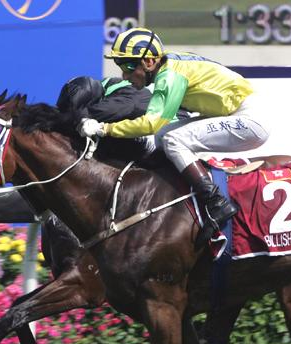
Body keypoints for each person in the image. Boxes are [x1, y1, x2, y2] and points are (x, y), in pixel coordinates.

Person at [78, 27, 270, 246]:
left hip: (251, 119)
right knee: (164, 135)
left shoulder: (170, 76)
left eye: (129, 66)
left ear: (149, 62)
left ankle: (216, 202)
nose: (124, 75)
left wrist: (104, 129)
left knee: (173, 139)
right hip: (237, 113)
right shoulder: (168, 69)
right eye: (120, 67)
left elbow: (150, 124)